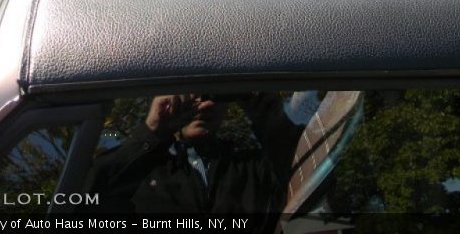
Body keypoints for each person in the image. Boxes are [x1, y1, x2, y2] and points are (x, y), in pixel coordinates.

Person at [86, 93, 302, 219]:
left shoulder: (255, 168)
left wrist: (273, 124)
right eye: (193, 95)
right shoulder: (139, 173)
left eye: (217, 95)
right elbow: (83, 204)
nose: (206, 104)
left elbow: (310, 180)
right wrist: (152, 131)